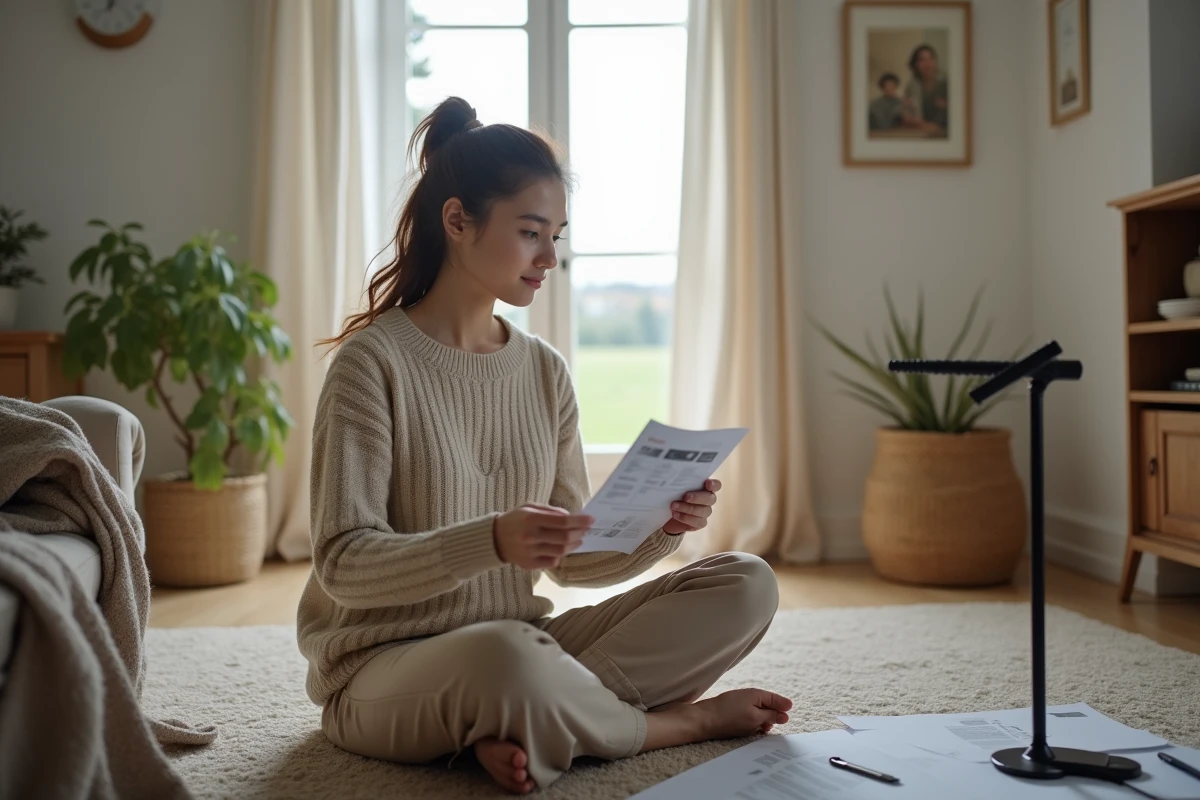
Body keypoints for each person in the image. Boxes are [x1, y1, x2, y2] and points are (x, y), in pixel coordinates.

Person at [297, 96, 791, 795]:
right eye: (532, 232)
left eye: (556, 235)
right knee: (508, 659)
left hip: (521, 648)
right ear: (458, 222)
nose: (549, 257)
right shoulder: (370, 366)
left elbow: (573, 565)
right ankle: (672, 726)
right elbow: (343, 564)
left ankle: (525, 723)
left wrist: (659, 526)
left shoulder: (543, 370)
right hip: (384, 669)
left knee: (747, 583)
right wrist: (491, 540)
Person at [902, 44, 949, 135]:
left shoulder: (946, 83)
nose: (928, 63)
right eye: (922, 60)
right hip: (920, 132)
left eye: (931, 58)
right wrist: (907, 116)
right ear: (916, 65)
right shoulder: (912, 86)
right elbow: (906, 113)